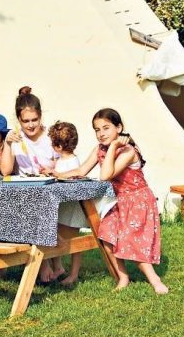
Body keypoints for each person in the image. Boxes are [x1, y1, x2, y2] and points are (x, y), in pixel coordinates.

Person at [59, 108, 168, 294]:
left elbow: (106, 175)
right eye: (97, 130)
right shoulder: (99, 149)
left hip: (137, 201)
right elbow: (82, 170)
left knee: (132, 241)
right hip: (116, 201)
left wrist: (114, 147)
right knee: (106, 237)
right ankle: (123, 277)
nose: (101, 133)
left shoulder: (129, 151)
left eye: (106, 128)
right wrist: (57, 174)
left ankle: (155, 280)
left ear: (119, 128)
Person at [0, 86, 60, 283]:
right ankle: (43, 264)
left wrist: (52, 168)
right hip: (25, 191)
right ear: (18, 120)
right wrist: (7, 144)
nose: (31, 125)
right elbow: (5, 171)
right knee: (29, 208)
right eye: (25, 121)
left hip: (50, 189)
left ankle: (49, 262)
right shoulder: (15, 137)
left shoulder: (51, 136)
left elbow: (63, 161)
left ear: (40, 116)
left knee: (42, 210)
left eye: (34, 120)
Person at [48, 121, 89, 286]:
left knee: (74, 243)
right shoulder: (63, 159)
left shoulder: (71, 162)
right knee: (55, 236)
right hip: (64, 206)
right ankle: (58, 268)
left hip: (72, 208)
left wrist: (55, 174)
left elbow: (70, 179)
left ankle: (73, 274)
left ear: (58, 146)